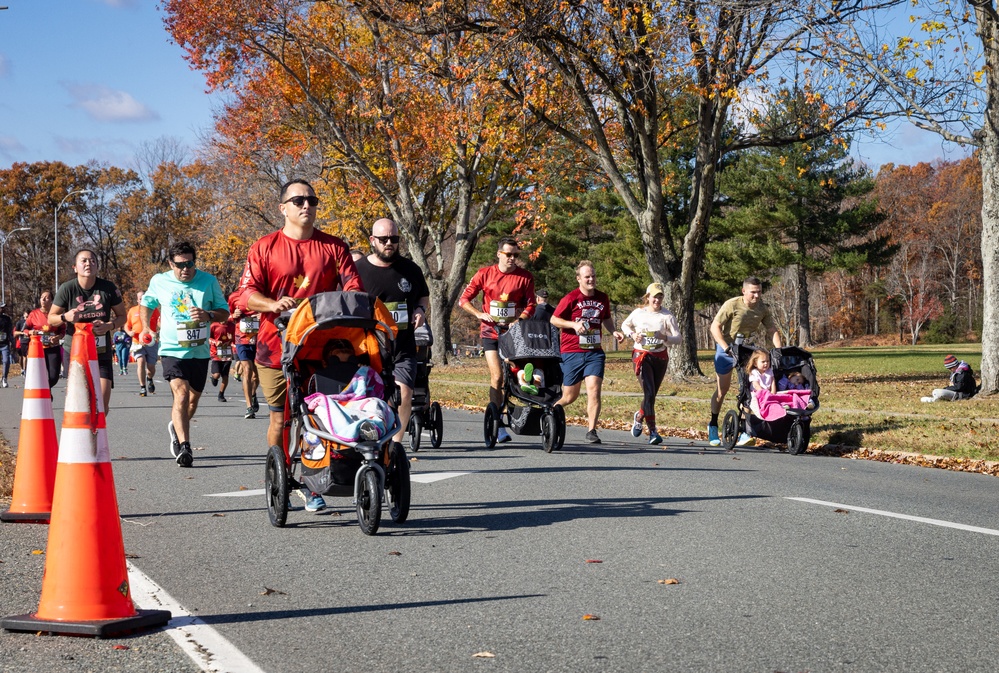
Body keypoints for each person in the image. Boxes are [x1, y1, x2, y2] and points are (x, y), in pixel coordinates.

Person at [238, 178, 362, 512]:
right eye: (298, 200)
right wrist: (272, 304)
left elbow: (353, 286)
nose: (307, 205)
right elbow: (245, 293)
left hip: (320, 346)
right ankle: (279, 473)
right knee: (282, 418)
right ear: (283, 208)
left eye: (312, 200)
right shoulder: (264, 247)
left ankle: (312, 482)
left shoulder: (335, 247)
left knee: (317, 415)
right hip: (274, 346)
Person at [140, 241, 229, 468]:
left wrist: (208, 314)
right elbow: (147, 303)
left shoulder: (208, 281)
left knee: (192, 399)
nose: (185, 269)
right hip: (172, 349)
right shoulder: (160, 281)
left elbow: (224, 313)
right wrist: (146, 327)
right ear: (171, 263)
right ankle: (185, 447)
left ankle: (176, 427)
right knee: (180, 395)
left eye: (189, 264)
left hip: (199, 352)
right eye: (180, 265)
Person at [354, 218, 430, 446]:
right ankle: (370, 439)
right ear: (372, 240)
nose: (389, 243)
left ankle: (396, 447)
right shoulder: (358, 271)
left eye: (394, 239)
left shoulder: (410, 269)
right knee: (368, 397)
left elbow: (423, 296)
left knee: (405, 393)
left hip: (402, 346)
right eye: (384, 239)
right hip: (367, 347)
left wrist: (420, 309)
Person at [458, 237, 536, 443]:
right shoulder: (485, 274)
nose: (512, 258)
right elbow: (463, 300)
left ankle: (517, 411)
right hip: (490, 333)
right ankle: (498, 423)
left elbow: (531, 305)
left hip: (513, 333)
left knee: (519, 375)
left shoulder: (525, 277)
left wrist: (519, 319)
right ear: (499, 254)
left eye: (516, 255)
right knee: (497, 377)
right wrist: (478, 314)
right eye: (508, 254)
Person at [550, 261, 625, 444]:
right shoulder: (570, 298)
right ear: (579, 279)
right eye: (587, 277)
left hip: (594, 352)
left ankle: (591, 430)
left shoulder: (602, 298)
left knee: (594, 389)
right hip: (572, 351)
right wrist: (573, 324)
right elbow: (554, 319)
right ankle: (550, 413)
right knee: (570, 396)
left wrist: (613, 331)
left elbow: (606, 318)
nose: (591, 279)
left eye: (593, 276)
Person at [49, 249, 127, 413]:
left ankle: (97, 437)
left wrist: (109, 326)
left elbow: (122, 317)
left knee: (101, 406)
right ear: (75, 267)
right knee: (81, 404)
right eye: (83, 261)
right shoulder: (67, 288)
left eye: (92, 261)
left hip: (101, 351)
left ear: (97, 266)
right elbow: (51, 318)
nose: (88, 264)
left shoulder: (108, 288)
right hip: (75, 352)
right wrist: (66, 317)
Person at [707, 277, 782, 446]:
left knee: (750, 389)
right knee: (722, 390)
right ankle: (713, 424)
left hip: (747, 350)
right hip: (726, 349)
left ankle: (744, 430)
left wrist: (779, 350)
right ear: (744, 291)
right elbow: (714, 327)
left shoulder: (762, 308)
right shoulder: (732, 304)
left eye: (759, 292)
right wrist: (726, 347)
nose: (757, 295)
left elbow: (772, 329)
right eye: (753, 292)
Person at [620, 283, 682, 445]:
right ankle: (653, 431)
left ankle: (640, 415)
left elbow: (679, 338)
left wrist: (664, 337)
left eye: (660, 296)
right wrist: (632, 335)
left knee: (651, 394)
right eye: (654, 296)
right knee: (649, 392)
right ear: (648, 297)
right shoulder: (638, 313)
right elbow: (625, 325)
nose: (657, 299)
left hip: (660, 358)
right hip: (642, 356)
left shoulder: (667, 316)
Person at [24, 290, 66, 388]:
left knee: (53, 376)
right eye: (42, 297)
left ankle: (46, 389)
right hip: (38, 349)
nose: (43, 299)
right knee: (38, 375)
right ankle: (45, 394)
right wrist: (30, 332)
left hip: (52, 347)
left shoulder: (56, 314)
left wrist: (58, 337)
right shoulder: (33, 314)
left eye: (46, 297)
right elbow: (25, 329)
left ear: (51, 300)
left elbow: (63, 330)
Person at [229, 292, 260, 419]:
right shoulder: (234, 297)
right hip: (242, 340)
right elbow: (226, 317)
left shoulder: (261, 295)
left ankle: (253, 394)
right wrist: (233, 316)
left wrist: (262, 315)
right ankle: (249, 407)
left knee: (256, 375)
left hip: (259, 339)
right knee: (247, 370)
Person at [125, 291, 160, 397]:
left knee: (151, 367)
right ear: (137, 299)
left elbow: (159, 322)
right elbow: (127, 325)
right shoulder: (132, 310)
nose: (141, 300)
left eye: (143, 298)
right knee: (140, 361)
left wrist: (159, 330)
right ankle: (142, 387)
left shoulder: (153, 310)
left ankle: (149, 378)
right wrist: (129, 332)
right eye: (140, 298)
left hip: (151, 341)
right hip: (137, 341)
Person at [209, 316, 236, 402]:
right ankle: (214, 377)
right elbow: (208, 338)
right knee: (217, 374)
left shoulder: (232, 326)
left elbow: (235, 340)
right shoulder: (214, 325)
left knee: (225, 376)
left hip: (227, 354)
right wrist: (216, 342)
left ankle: (221, 394)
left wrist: (231, 339)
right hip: (216, 354)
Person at [0, 304, 14, 388]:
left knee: (6, 361)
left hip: (5, 344)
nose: (2, 309)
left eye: (3, 307)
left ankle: (4, 378)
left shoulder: (7, 319)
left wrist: (12, 341)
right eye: (1, 307)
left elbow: (10, 331)